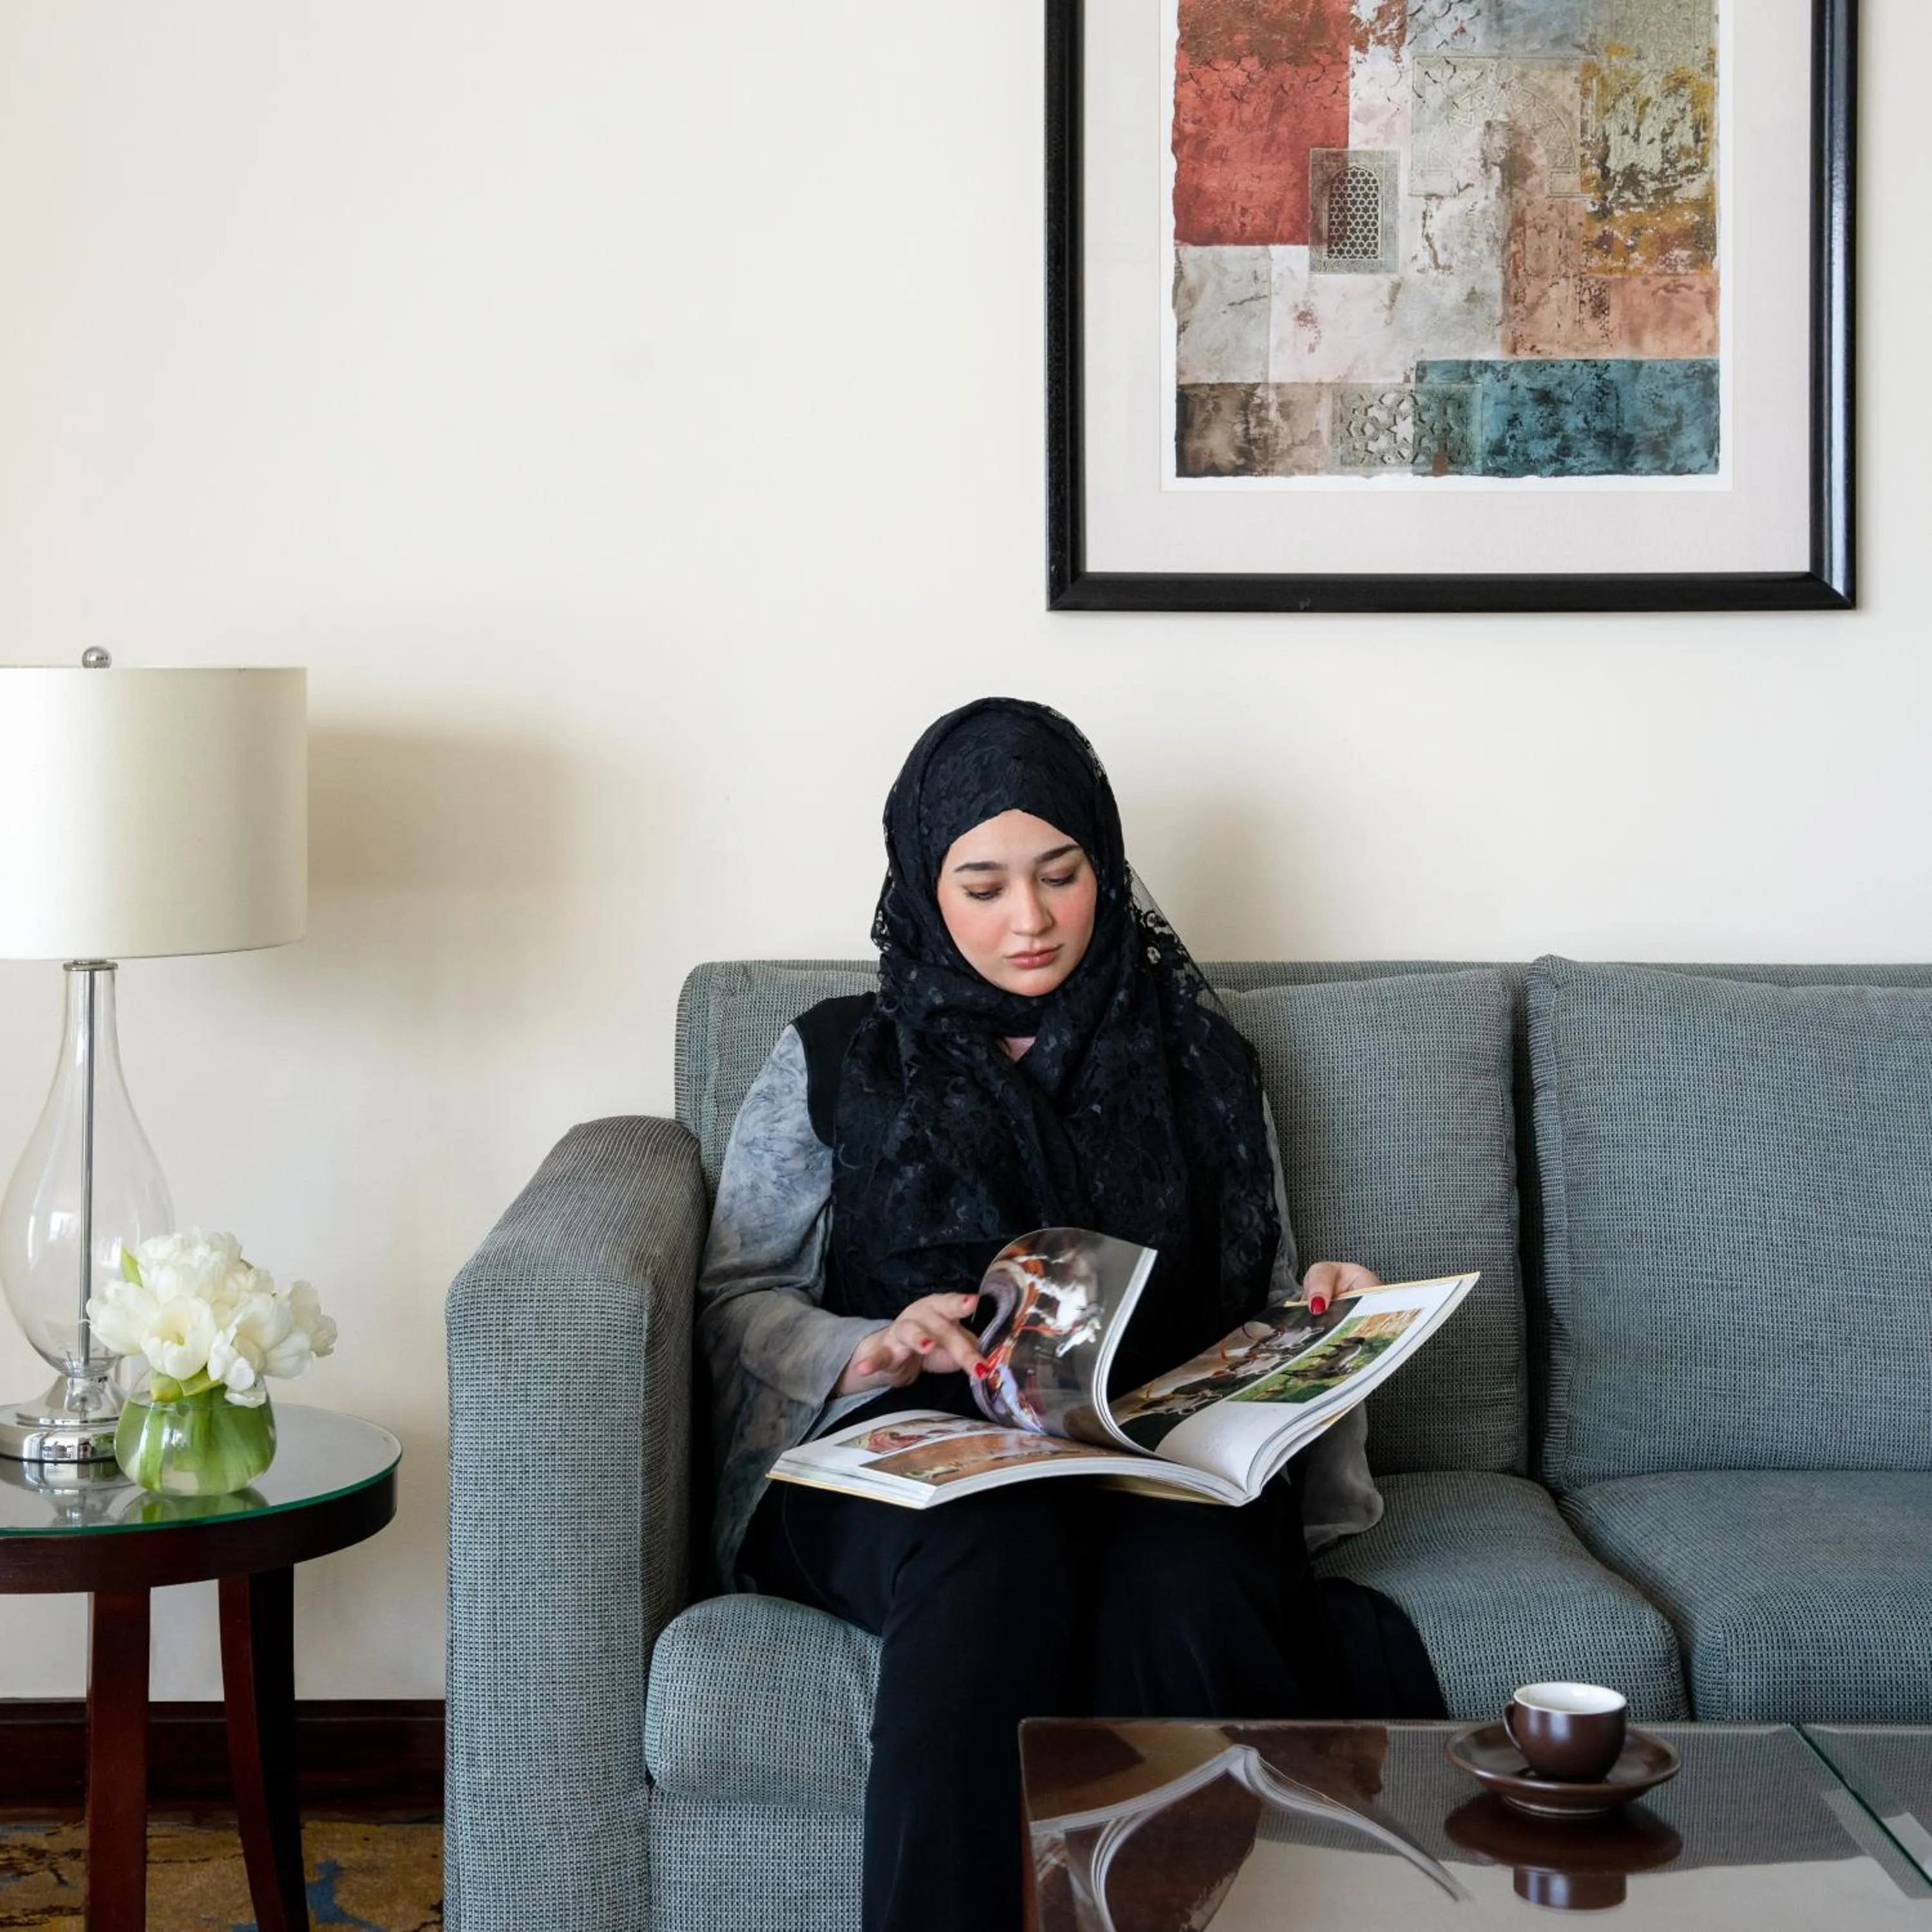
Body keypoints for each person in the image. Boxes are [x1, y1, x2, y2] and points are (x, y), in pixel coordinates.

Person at [694, 697, 1443, 1932]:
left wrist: (1322, 1315)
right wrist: (866, 1345)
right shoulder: (835, 1058)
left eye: (1060, 875)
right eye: (981, 885)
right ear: (921, 883)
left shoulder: (1202, 1060)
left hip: (1146, 1453)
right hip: (898, 1451)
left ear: (1105, 863)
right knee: (1004, 1553)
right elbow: (735, 1299)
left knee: (1195, 1582)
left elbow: (1268, 1289)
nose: (1029, 920)